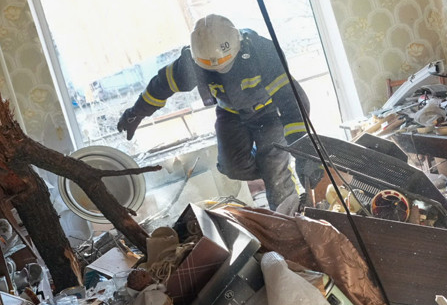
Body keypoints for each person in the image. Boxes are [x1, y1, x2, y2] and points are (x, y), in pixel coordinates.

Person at [116, 14, 310, 210]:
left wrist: (305, 154)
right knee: (232, 167)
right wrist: (136, 113)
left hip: (268, 113)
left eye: (226, 61)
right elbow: (162, 85)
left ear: (238, 44)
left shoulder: (263, 53)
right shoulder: (192, 64)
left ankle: (286, 210)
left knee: (275, 172)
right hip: (230, 114)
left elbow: (293, 104)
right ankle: (274, 168)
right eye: (210, 66)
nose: (220, 68)